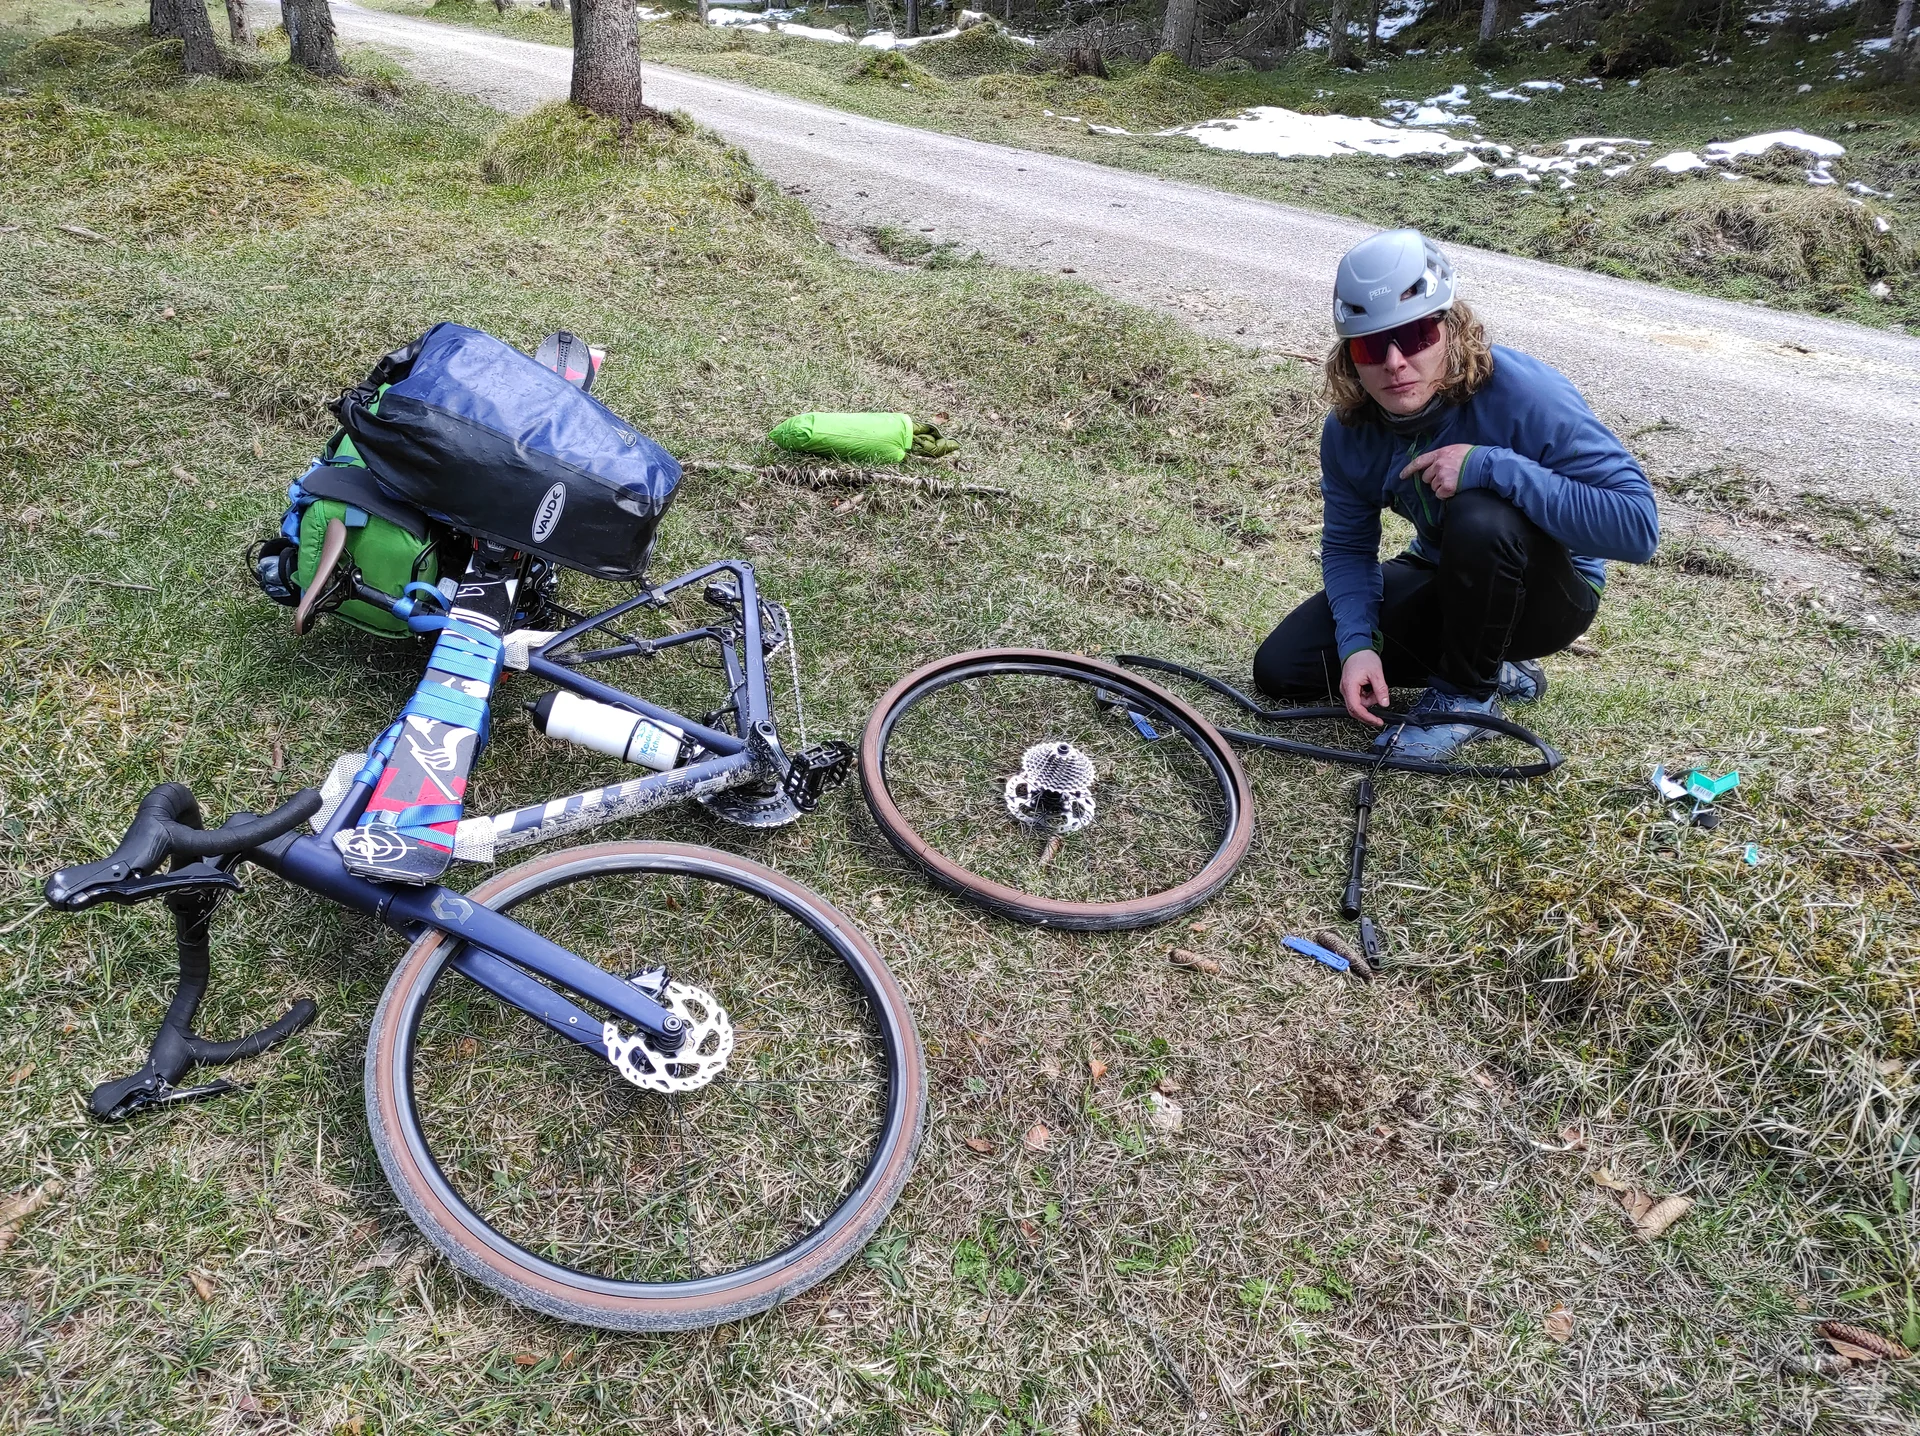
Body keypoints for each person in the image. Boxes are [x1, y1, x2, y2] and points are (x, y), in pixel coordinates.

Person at [1253, 228, 1659, 761]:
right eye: (1372, 345)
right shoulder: (1351, 429)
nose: (1395, 362)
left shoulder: (1524, 393)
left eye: (1417, 335)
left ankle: (1467, 696)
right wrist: (1357, 645)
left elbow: (1637, 528)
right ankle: (1491, 663)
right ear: (1350, 355)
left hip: (1550, 593)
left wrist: (1489, 464)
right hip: (1446, 575)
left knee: (1480, 509)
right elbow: (1349, 547)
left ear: (1451, 329)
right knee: (1284, 668)